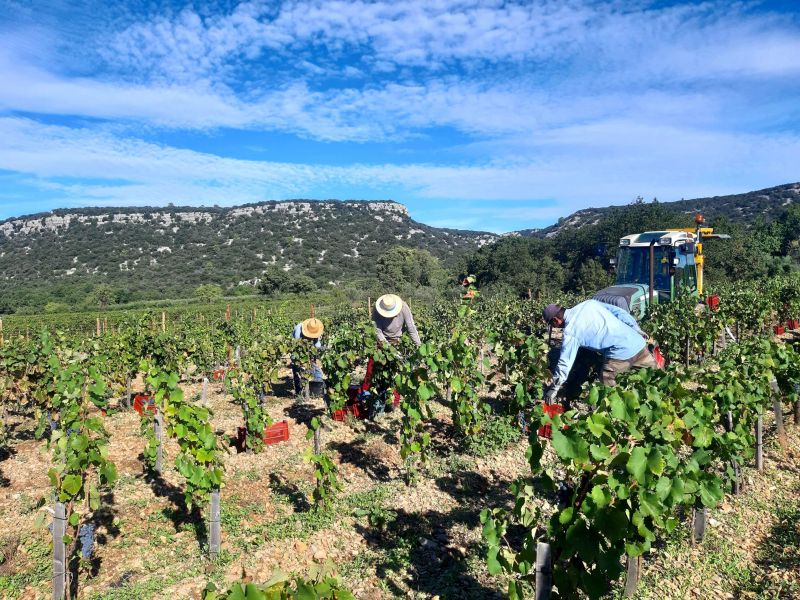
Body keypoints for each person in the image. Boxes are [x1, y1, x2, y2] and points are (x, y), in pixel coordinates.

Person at [543, 300, 656, 402]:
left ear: (555, 320)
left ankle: (615, 419)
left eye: (552, 324)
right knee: (656, 380)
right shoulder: (588, 304)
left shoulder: (571, 332)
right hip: (637, 342)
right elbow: (619, 312)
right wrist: (636, 328)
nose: (556, 328)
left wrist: (554, 388)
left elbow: (565, 362)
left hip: (620, 353)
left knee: (607, 390)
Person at [361, 294, 421, 417]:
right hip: (381, 343)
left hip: (398, 342)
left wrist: (420, 348)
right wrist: (389, 350)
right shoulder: (377, 310)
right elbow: (377, 331)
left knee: (396, 374)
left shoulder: (404, 307)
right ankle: (365, 396)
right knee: (371, 371)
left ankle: (394, 402)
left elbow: (411, 328)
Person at [291, 318, 324, 397]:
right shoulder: (298, 329)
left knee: (317, 372)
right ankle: (299, 393)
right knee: (297, 371)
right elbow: (297, 346)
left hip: (310, 350)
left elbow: (317, 345)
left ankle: (316, 392)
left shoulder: (315, 329)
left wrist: (320, 350)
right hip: (298, 352)